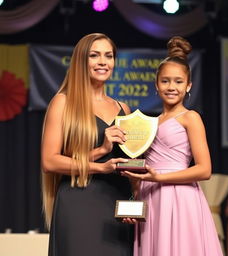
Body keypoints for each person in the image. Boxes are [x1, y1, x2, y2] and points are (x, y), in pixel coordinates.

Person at [122, 36, 223, 256]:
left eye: (178, 81)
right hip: (151, 197)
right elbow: (141, 167)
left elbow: (204, 170)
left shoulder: (191, 117)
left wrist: (158, 178)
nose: (171, 87)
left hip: (180, 196)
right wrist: (134, 200)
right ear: (156, 85)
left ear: (188, 86)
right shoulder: (149, 123)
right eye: (165, 81)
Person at [41, 33, 134, 256]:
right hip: (78, 202)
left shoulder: (124, 109)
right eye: (94, 55)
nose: (103, 62)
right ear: (81, 60)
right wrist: (101, 156)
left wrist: (136, 200)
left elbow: (129, 165)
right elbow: (49, 161)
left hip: (116, 207)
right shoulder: (63, 102)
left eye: (108, 56)